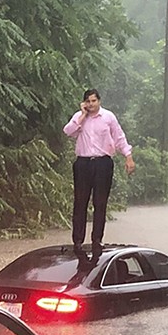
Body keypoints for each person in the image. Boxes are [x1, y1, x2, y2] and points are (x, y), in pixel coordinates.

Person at [63, 88, 135, 258]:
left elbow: (119, 137)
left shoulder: (108, 117)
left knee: (100, 202)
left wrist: (128, 157)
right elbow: (68, 132)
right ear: (84, 103)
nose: (91, 104)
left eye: (93, 101)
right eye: (88, 101)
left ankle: (97, 240)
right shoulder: (79, 118)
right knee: (80, 202)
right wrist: (81, 116)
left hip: (103, 163)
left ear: (99, 101)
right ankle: (78, 241)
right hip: (83, 163)